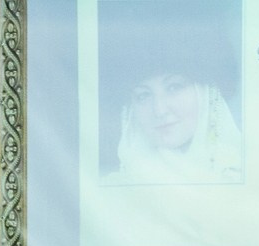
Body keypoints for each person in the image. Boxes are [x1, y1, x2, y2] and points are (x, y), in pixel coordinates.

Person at [100, 2, 244, 185]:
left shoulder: (244, 178)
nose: (159, 110)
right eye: (143, 95)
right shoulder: (114, 189)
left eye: (174, 87)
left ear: (207, 92)